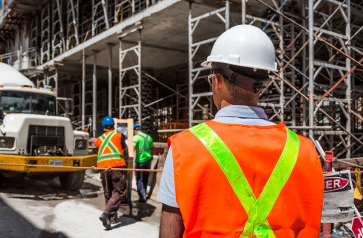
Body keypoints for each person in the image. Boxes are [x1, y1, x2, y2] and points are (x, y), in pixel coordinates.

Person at [157, 25, 324, 238]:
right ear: (262, 85)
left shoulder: (184, 148)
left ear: (216, 81)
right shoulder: (305, 149)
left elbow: (170, 230)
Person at [94, 116, 128, 230]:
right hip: (116, 167)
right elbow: (125, 148)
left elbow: (99, 152)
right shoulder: (119, 136)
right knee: (120, 192)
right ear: (114, 126)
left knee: (108, 192)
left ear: (103, 127)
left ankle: (111, 219)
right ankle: (106, 213)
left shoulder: (98, 140)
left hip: (103, 169)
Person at [133, 124, 154, 202]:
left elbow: (132, 147)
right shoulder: (149, 137)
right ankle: (144, 193)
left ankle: (142, 196)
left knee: (139, 179)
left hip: (140, 161)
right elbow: (153, 148)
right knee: (145, 178)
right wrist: (151, 156)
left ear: (135, 130)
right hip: (148, 161)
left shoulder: (135, 137)